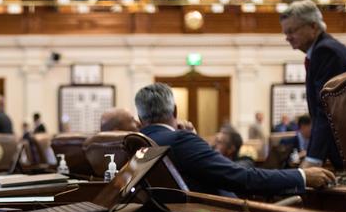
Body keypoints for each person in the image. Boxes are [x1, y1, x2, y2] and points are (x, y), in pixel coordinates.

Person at [134, 83, 334, 197]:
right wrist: (302, 176)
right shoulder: (181, 140)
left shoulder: (135, 143)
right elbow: (243, 178)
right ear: (176, 111)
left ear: (140, 119)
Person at [280, 0, 346, 169]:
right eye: (285, 33)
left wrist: (314, 159)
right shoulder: (323, 50)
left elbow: (326, 108)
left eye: (291, 31)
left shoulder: (326, 52)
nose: (287, 38)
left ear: (313, 27)